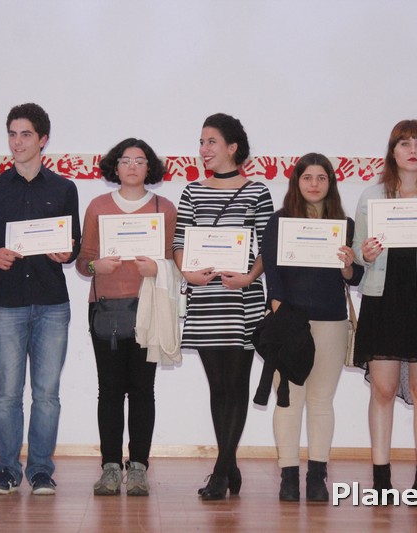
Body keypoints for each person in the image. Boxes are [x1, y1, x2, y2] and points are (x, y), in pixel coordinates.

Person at [0, 103, 81, 496]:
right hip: (6, 304)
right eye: (12, 134)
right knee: (7, 395)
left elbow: (75, 243)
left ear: (43, 140)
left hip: (52, 304)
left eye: (25, 135)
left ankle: (40, 471)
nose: (17, 142)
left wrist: (67, 252)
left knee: (47, 395)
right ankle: (6, 470)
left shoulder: (64, 189)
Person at [352, 119, 417, 495]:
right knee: (382, 390)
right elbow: (357, 251)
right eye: (405, 144)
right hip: (383, 299)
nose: (413, 151)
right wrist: (364, 254)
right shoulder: (371, 196)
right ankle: (381, 479)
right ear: (393, 151)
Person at [173, 113, 274, 500]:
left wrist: (249, 278)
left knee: (236, 384)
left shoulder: (257, 191)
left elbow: (267, 246)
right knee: (218, 387)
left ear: (233, 147)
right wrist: (188, 273)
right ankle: (228, 466)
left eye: (211, 141)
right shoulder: (192, 191)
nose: (204, 149)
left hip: (241, 299)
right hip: (206, 298)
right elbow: (179, 242)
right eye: (201, 142)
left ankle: (220, 470)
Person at [76, 138, 178, 497]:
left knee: (143, 390)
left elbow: (175, 261)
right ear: (115, 166)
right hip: (106, 309)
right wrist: (96, 266)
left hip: (148, 308)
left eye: (140, 160)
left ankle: (138, 467)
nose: (132, 166)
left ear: (149, 167)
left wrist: (158, 267)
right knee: (109, 390)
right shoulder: (98, 206)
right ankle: (109, 467)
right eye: (125, 160)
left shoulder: (164, 208)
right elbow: (83, 261)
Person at [261, 153, 363, 502]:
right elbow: (272, 273)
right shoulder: (279, 221)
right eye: (307, 178)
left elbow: (356, 276)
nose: (314, 184)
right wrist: (281, 315)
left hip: (331, 321)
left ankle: (317, 476)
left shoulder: (345, 224)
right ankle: (288, 476)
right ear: (297, 182)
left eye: (321, 178)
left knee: (321, 401)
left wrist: (348, 266)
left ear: (330, 183)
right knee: (289, 399)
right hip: (289, 322)